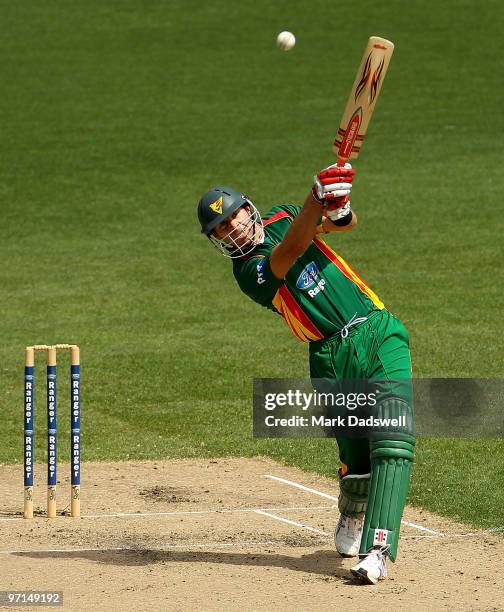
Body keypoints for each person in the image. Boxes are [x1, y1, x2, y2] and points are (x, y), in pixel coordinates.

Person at [196, 164, 414, 584]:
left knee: (393, 439)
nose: (233, 227)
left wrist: (336, 205)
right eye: (221, 228)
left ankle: (380, 550)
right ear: (217, 240)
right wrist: (316, 199)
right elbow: (291, 250)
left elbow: (344, 225)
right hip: (331, 354)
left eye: (234, 216)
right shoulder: (247, 273)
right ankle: (352, 508)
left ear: (248, 209)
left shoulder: (284, 214)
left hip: (377, 326)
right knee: (359, 462)